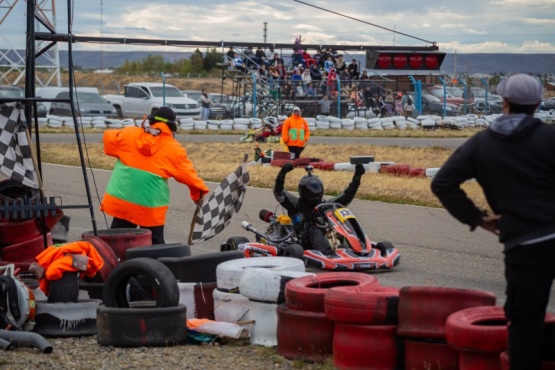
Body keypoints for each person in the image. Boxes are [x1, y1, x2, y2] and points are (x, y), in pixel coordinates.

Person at [430, 74, 550, 370]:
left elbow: (442, 183)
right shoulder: (550, 137)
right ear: (537, 104)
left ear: (504, 103)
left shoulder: (482, 144)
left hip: (525, 245)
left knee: (525, 325)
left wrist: (478, 218)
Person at [100, 107, 209, 245]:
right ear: (173, 127)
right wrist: (198, 194)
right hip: (150, 207)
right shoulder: (174, 149)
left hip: (123, 202)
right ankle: (156, 265)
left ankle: (111, 263)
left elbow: (108, 138)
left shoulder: (129, 134)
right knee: (155, 244)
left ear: (150, 120)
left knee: (116, 243)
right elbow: (189, 176)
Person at [273, 162, 366, 255]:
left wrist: (357, 177)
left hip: (324, 236)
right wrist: (283, 172)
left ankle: (359, 248)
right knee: (314, 230)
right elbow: (279, 192)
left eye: (316, 187)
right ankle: (329, 254)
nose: (314, 191)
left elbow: (346, 196)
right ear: (303, 191)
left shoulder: (324, 205)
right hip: (303, 241)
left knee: (341, 228)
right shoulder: (296, 205)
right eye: (311, 189)